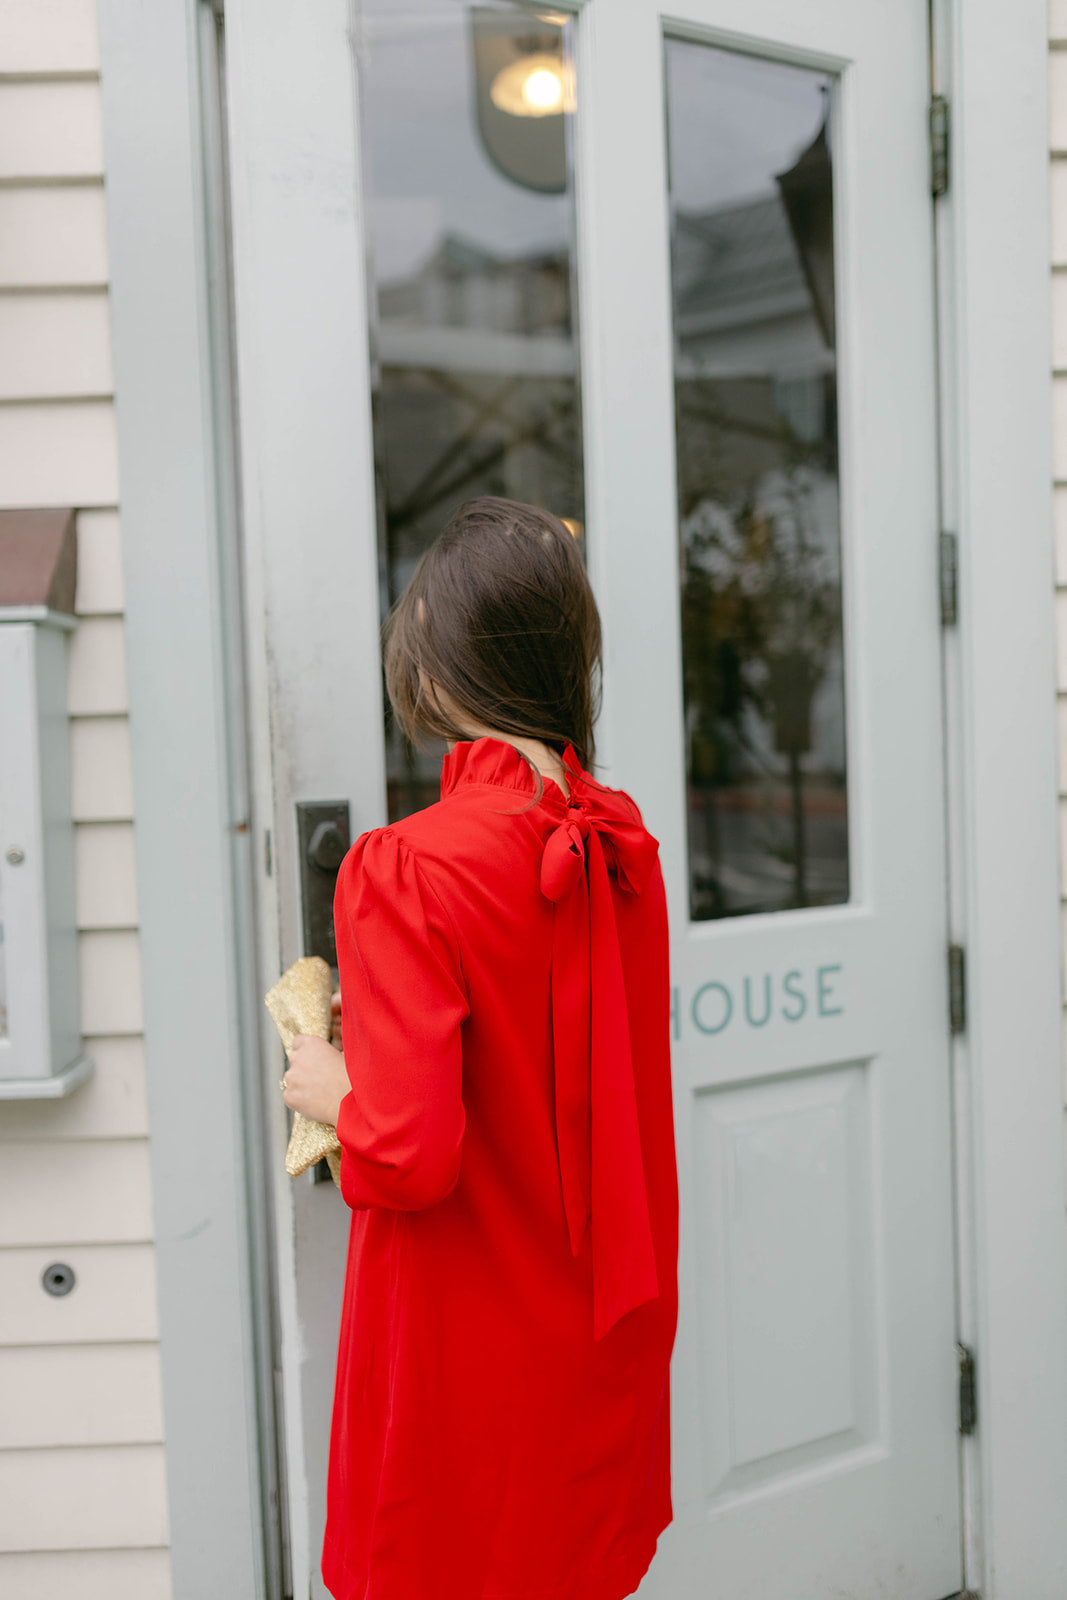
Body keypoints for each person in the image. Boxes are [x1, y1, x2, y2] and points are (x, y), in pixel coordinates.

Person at [281, 496, 679, 1600]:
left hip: (463, 1343)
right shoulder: (619, 845)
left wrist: (333, 1080)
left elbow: (408, 1150)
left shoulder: (409, 866)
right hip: (594, 1328)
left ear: (435, 669)